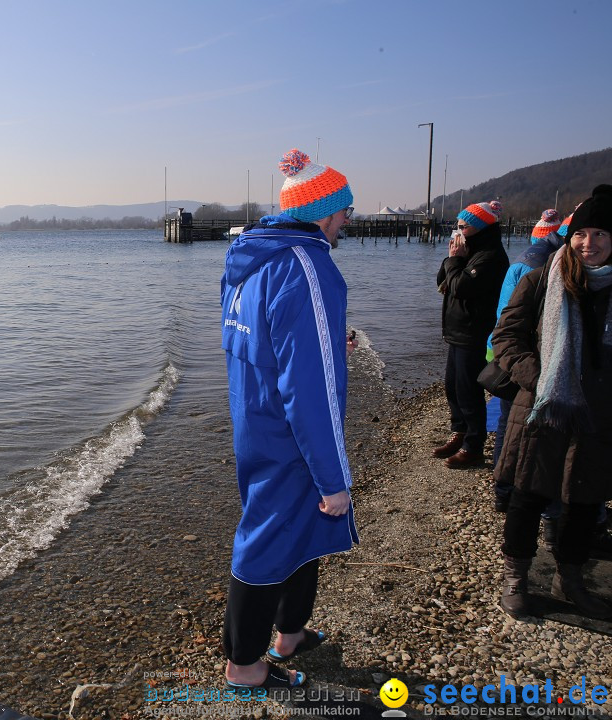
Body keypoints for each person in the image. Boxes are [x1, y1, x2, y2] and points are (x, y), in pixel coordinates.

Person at [219, 149, 359, 689]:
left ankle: (290, 634)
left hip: (252, 417)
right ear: (324, 211)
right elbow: (312, 389)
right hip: (289, 435)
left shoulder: (251, 258)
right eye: (345, 209)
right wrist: (333, 476)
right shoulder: (309, 268)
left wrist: (324, 346)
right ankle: (245, 666)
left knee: (298, 528)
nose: (349, 218)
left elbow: (254, 345)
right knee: (270, 536)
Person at [494, 185, 612, 619]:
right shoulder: (543, 279)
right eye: (582, 234)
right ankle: (516, 579)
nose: (589, 243)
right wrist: (538, 377)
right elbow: (505, 338)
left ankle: (571, 579)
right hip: (542, 409)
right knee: (527, 497)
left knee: (584, 502)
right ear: (570, 236)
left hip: (599, 418)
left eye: (601, 234)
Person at [489, 209, 561, 511]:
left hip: (510, 355)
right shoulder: (539, 268)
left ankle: (506, 488)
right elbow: (512, 320)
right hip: (523, 362)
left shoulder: (525, 258)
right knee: (513, 422)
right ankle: (509, 490)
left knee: (510, 421)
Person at [432, 201, 509, 468]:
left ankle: (473, 445)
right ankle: (460, 431)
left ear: (478, 228)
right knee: (452, 386)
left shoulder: (490, 256)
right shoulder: (469, 251)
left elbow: (462, 287)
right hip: (457, 331)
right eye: (457, 226)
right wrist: (452, 258)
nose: (457, 231)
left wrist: (455, 261)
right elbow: (442, 280)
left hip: (473, 332)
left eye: (463, 226)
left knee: (468, 391)